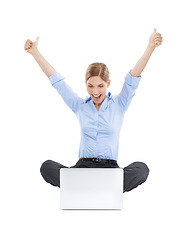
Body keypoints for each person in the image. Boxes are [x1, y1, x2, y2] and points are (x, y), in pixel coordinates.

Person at [24, 28, 163, 192]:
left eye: (100, 86)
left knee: (142, 169)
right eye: (90, 86)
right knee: (46, 167)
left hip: (110, 170)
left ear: (108, 84)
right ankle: (100, 188)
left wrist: (150, 47)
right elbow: (57, 82)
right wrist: (35, 53)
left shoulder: (119, 104)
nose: (95, 92)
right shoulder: (80, 106)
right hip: (83, 169)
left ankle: (87, 188)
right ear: (85, 84)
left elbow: (133, 77)